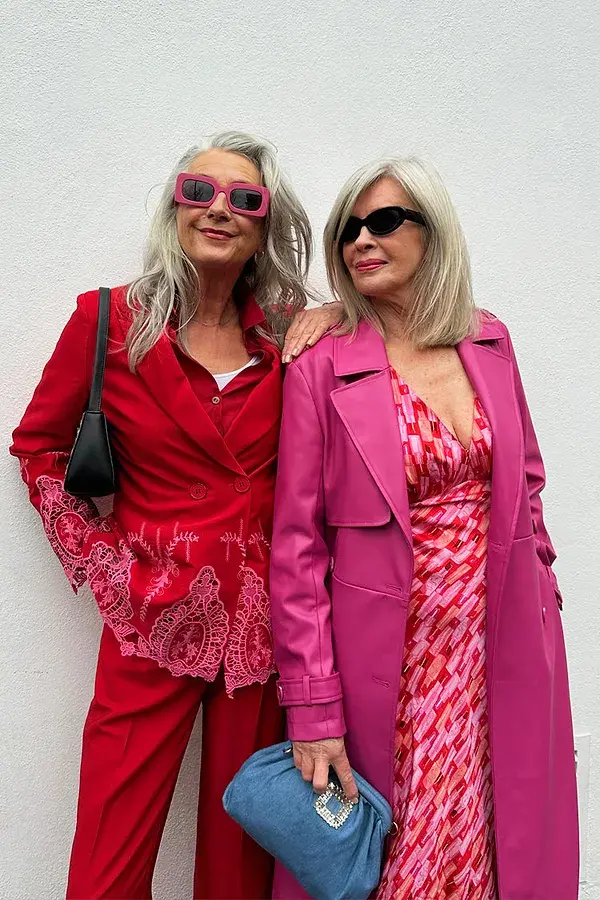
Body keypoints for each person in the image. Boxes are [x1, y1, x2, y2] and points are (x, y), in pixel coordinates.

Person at [10, 130, 340, 900]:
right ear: (174, 206)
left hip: (261, 635)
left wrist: (338, 316)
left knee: (241, 860)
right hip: (151, 620)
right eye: (200, 191)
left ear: (265, 224)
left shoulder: (292, 334)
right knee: (109, 856)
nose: (218, 208)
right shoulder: (110, 322)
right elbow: (38, 448)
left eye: (244, 199)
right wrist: (106, 568)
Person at [269, 156, 578, 900]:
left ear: (433, 235)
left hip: (497, 649)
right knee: (390, 854)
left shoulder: (489, 342)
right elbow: (297, 545)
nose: (360, 241)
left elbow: (526, 481)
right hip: (392, 664)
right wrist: (313, 707)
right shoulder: (322, 363)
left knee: (496, 840)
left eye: (383, 222)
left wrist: (542, 590)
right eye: (347, 229)